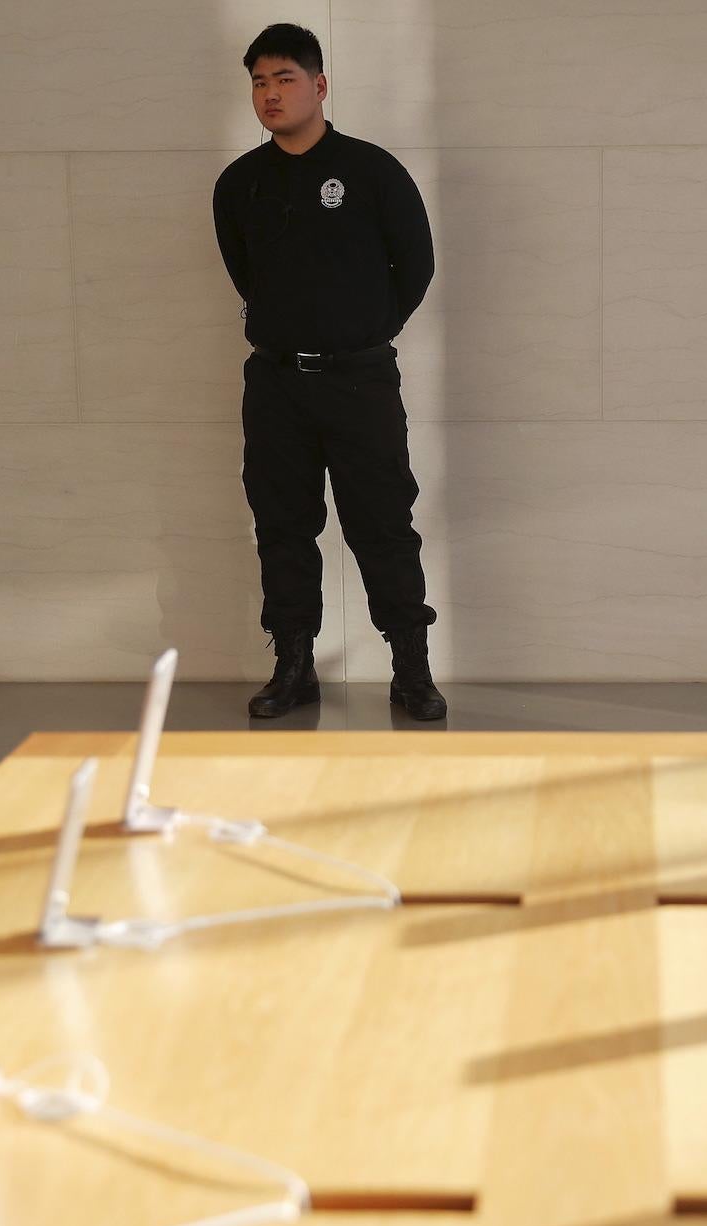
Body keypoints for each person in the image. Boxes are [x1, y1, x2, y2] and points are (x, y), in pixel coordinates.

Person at [211, 23, 446, 721]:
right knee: (281, 524)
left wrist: (362, 333)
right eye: (259, 82)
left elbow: (417, 268)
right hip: (276, 383)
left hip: (359, 381)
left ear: (319, 86)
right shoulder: (240, 185)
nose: (270, 94)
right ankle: (293, 664)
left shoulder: (373, 173)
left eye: (284, 79)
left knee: (382, 522)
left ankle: (411, 669)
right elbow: (244, 273)